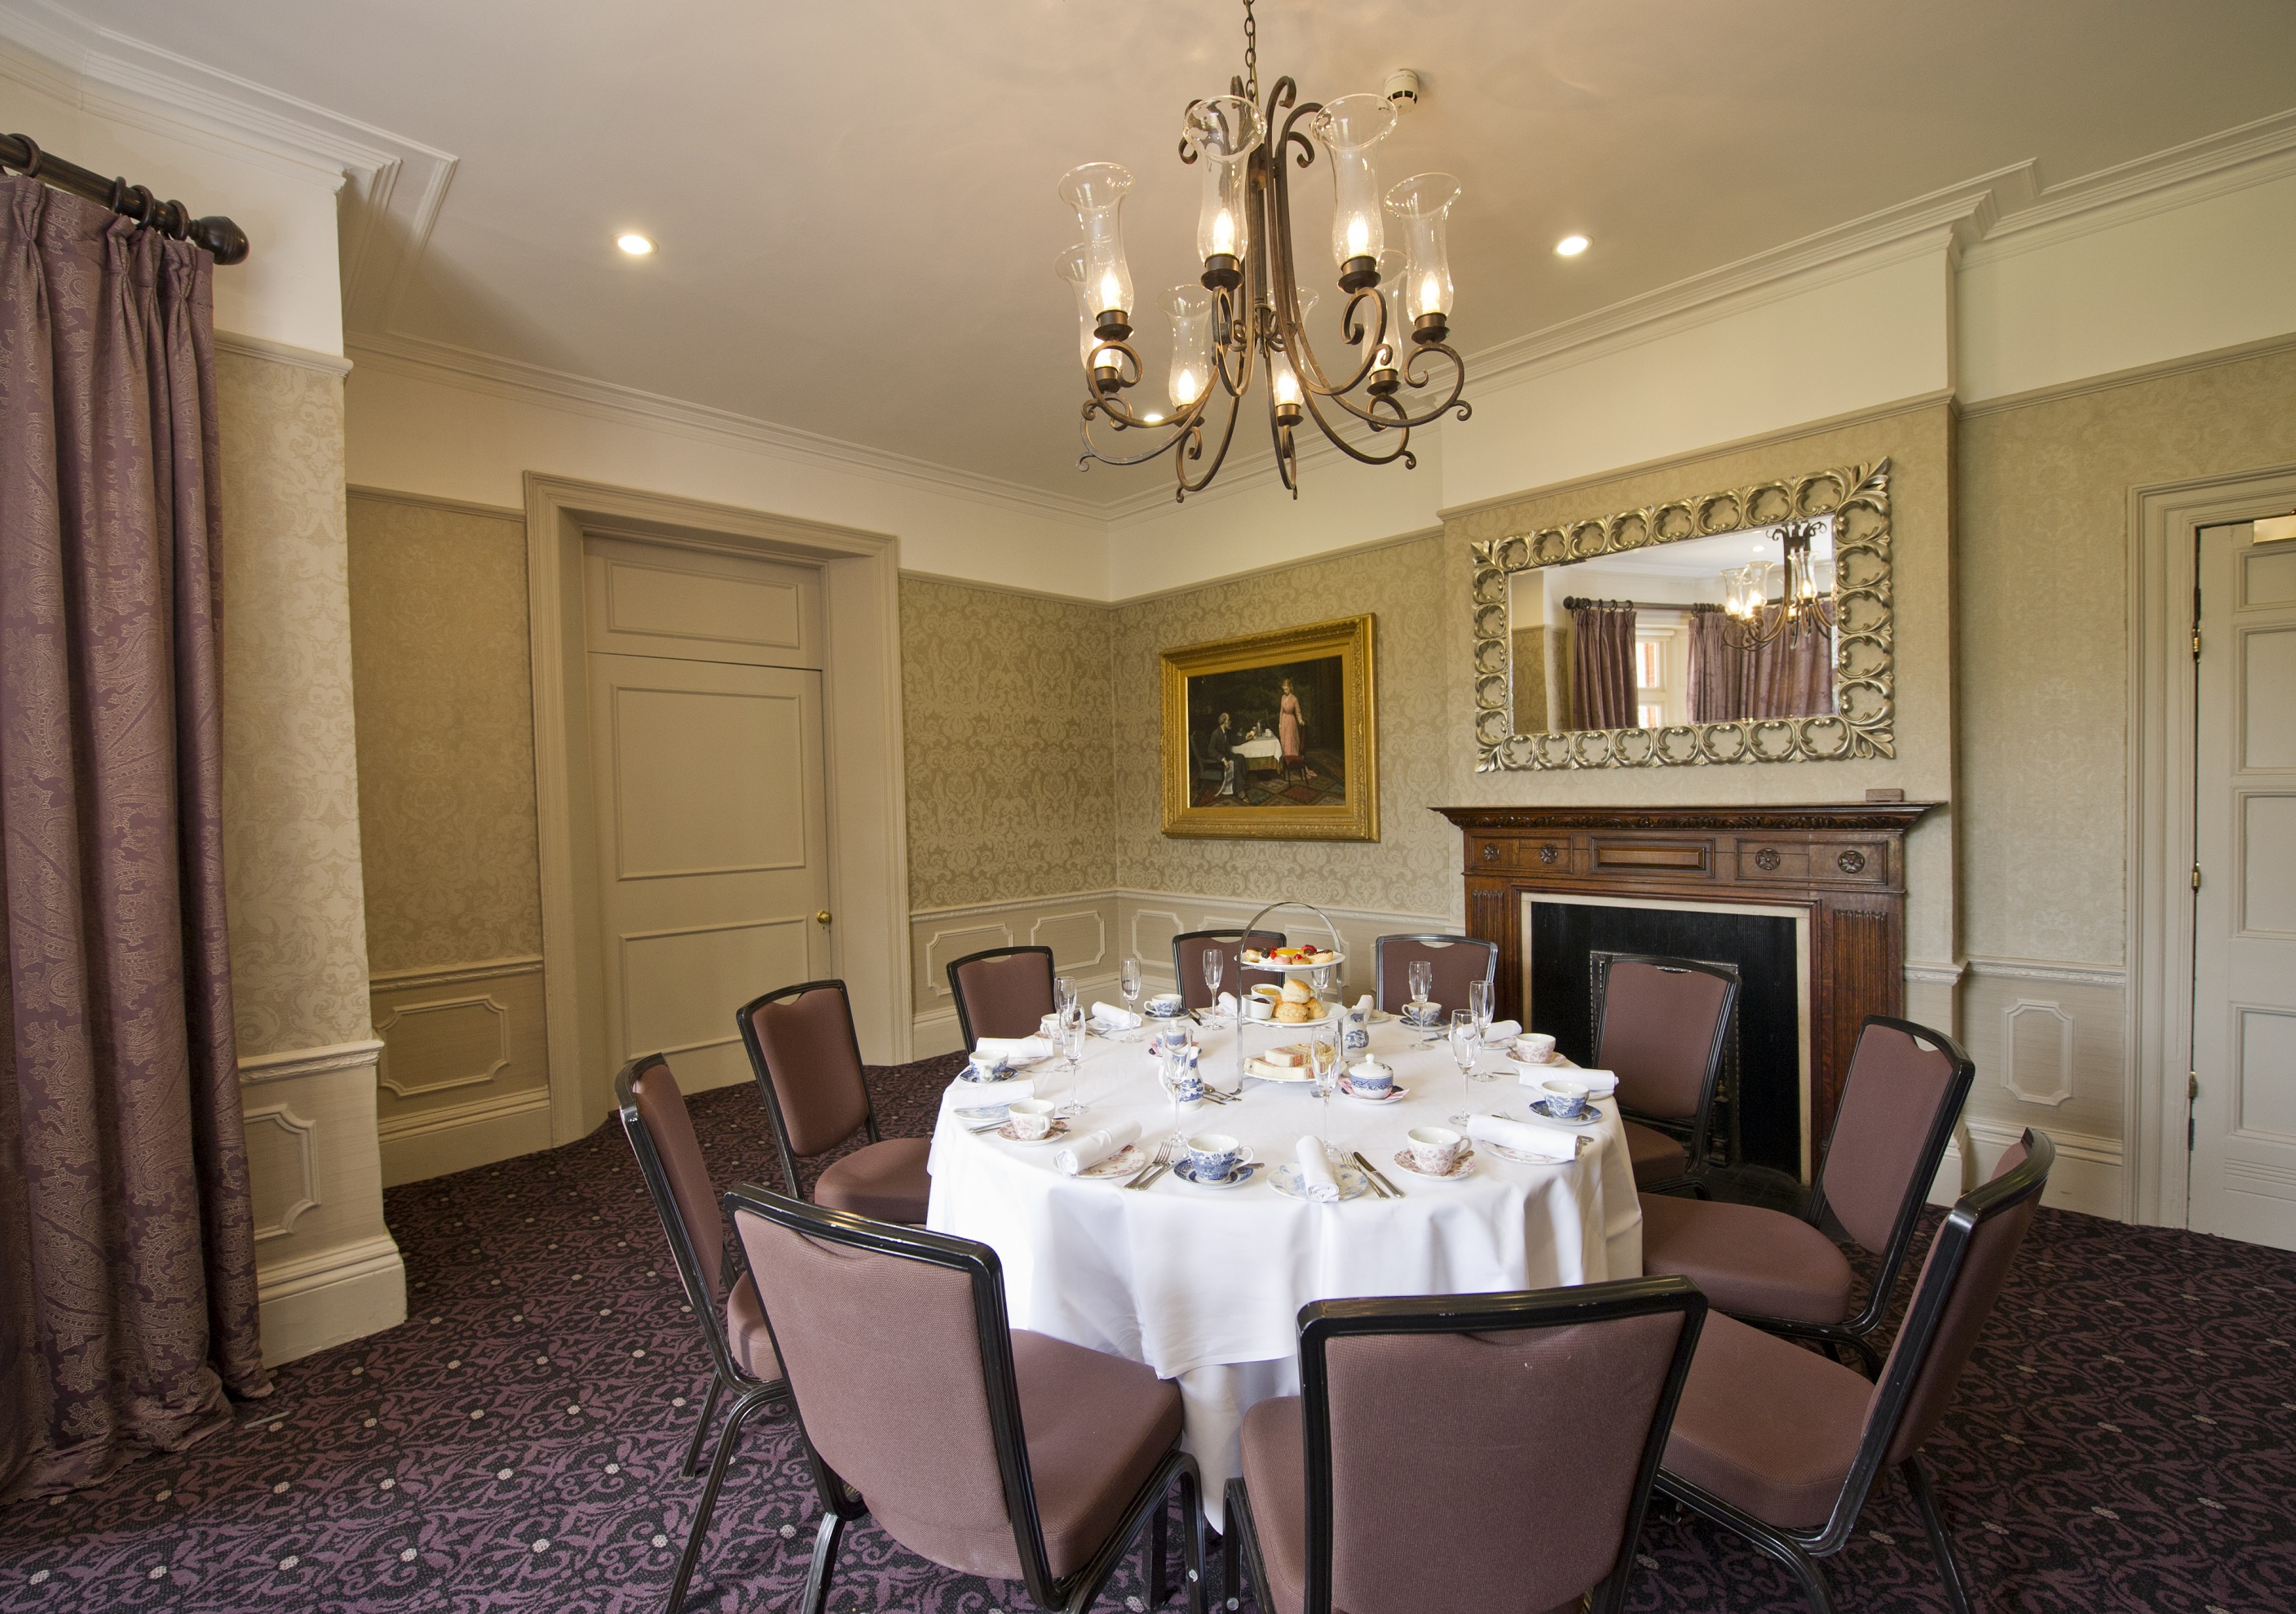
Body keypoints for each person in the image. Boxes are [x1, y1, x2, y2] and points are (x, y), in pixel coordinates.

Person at [1278, 678, 1316, 780]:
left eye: (1286, 689)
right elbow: (1281, 712)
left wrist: (1300, 721)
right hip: (1284, 723)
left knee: (1290, 744)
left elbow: (1298, 712)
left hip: (1290, 723)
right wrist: (1280, 725)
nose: (1285, 691)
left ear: (1290, 688)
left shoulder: (1294, 699)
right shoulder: (1282, 697)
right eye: (1284, 689)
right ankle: (1286, 768)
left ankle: (1293, 766)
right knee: (1284, 744)